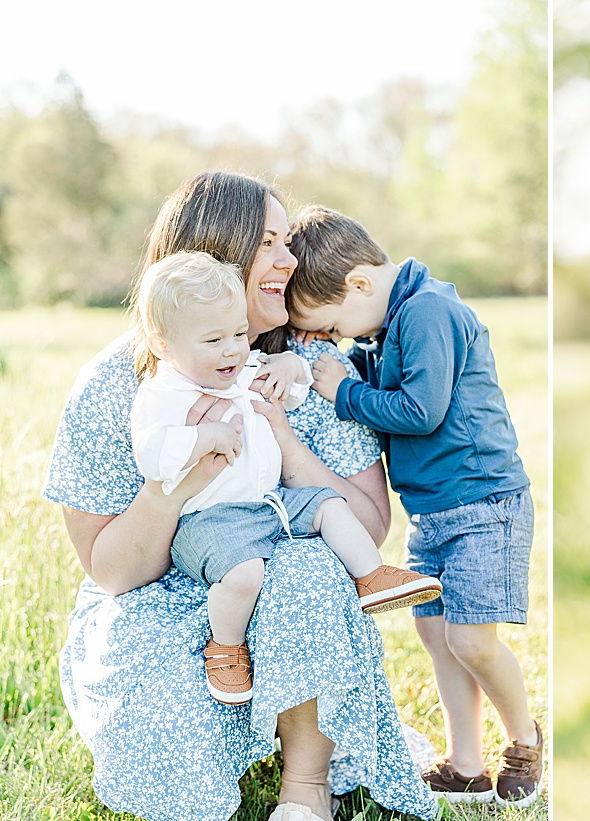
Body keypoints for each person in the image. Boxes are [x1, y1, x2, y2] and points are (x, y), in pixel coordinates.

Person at [43, 172, 438, 821]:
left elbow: (365, 527)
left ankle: (307, 785)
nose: (292, 260)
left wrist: (282, 435)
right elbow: (112, 570)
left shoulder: (305, 367)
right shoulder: (119, 384)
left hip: (288, 584)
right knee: (161, 744)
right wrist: (181, 482)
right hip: (157, 590)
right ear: (213, 255)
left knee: (308, 566)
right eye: (271, 243)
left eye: (289, 242)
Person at [284, 205, 542, 807]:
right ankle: (465, 764)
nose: (339, 339)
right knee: (435, 633)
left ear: (360, 284)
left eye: (335, 326)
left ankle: (524, 739)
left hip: (483, 503)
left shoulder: (428, 312)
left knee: (473, 640)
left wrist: (343, 391)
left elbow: (420, 411)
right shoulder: (395, 317)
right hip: (436, 509)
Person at [129, 251, 442, 705]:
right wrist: (204, 436)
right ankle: (226, 648)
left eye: (238, 334)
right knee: (244, 575)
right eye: (213, 340)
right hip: (211, 521)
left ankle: (371, 577)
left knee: (328, 505)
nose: (232, 349)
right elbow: (152, 456)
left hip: (271, 503)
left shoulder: (240, 370)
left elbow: (293, 391)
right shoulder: (163, 395)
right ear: (164, 346)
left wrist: (290, 368)